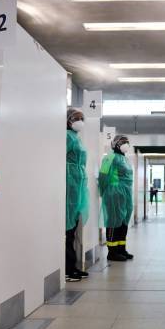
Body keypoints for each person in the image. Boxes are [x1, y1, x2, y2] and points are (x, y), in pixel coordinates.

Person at [98, 134, 134, 261]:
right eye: (123, 141)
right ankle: (112, 252)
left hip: (126, 195)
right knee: (114, 222)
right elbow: (103, 176)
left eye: (127, 142)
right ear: (116, 144)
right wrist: (103, 192)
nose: (126, 144)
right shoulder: (110, 157)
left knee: (123, 222)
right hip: (113, 193)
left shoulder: (126, 160)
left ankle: (121, 249)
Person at [65, 107, 90, 281]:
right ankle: (67, 269)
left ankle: (72, 266)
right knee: (66, 232)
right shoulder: (66, 136)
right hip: (69, 185)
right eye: (76, 118)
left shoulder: (77, 138)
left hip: (77, 187)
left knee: (72, 230)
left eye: (82, 118)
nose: (80, 121)